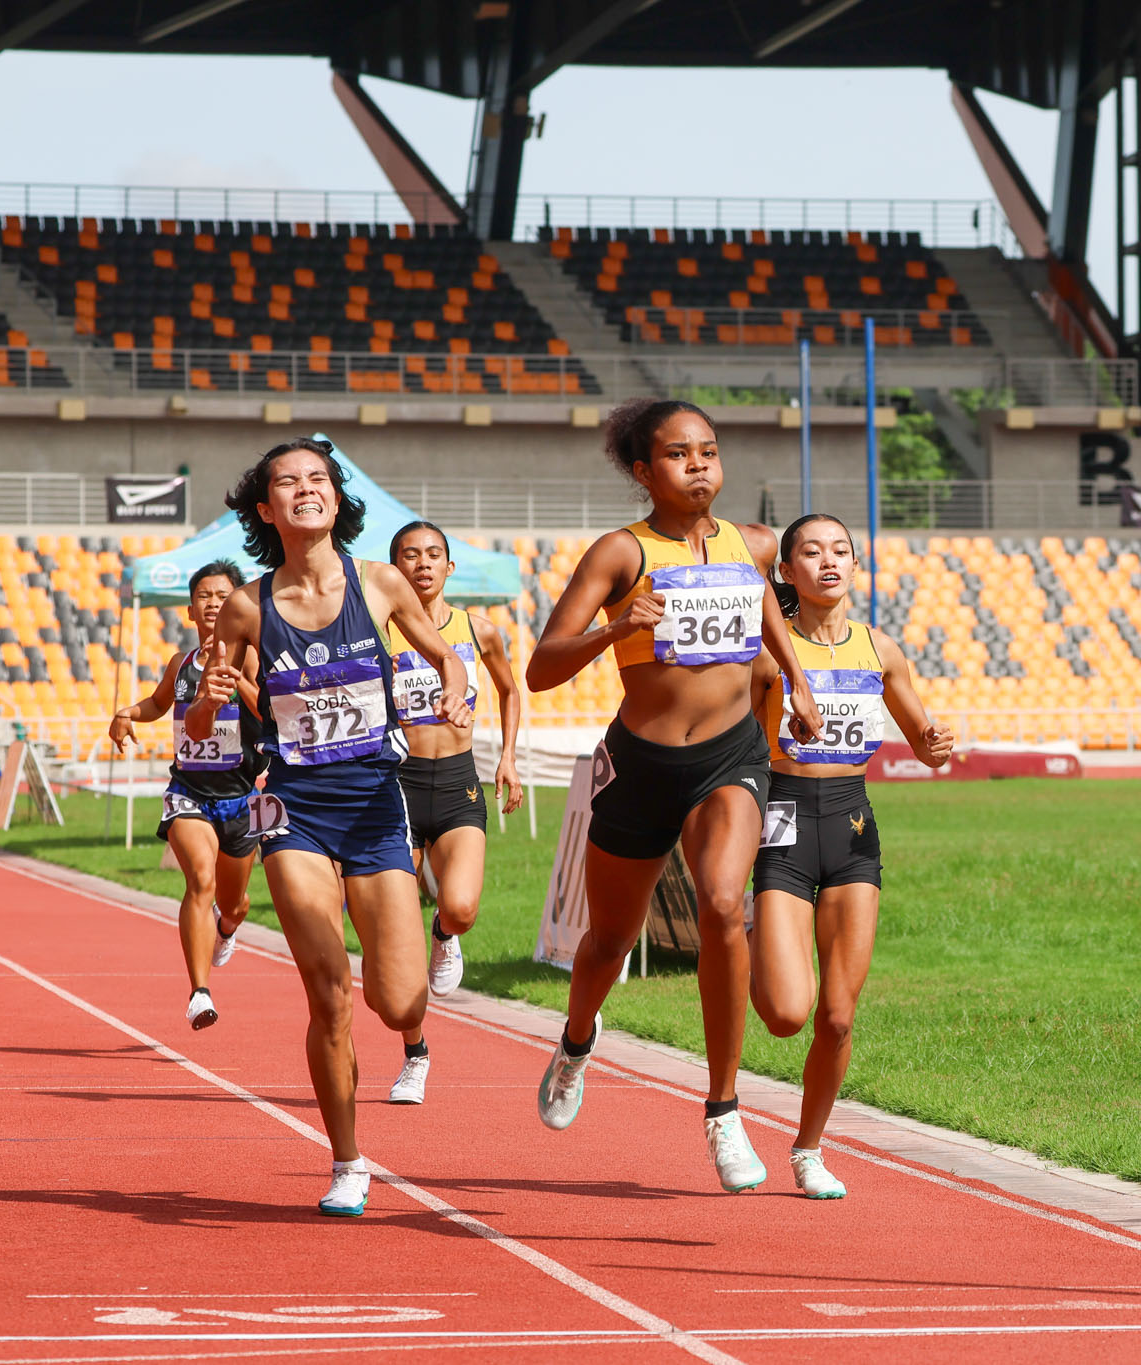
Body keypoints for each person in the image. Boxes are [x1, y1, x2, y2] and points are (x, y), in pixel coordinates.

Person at [526, 397, 820, 1193]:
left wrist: (797, 683)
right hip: (640, 763)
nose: (700, 466)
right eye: (680, 455)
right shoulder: (621, 553)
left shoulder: (751, 543)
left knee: (726, 904)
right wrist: (617, 629)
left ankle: (724, 1109)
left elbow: (763, 606)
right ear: (642, 470)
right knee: (608, 942)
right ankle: (578, 1039)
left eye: (710, 452)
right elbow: (542, 666)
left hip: (730, 758)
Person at [194, 437, 470, 1217]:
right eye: (289, 481)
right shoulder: (247, 606)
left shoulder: (379, 583)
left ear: (336, 498)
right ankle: (348, 1160)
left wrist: (452, 687)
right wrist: (210, 700)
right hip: (294, 809)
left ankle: (413, 1033)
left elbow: (444, 655)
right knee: (329, 995)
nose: (306, 489)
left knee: (397, 997)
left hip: (376, 804)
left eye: (319, 478)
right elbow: (200, 709)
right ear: (266, 506)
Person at [747, 514, 953, 1199]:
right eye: (811, 550)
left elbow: (920, 735)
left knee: (837, 1015)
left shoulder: (880, 649)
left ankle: (808, 1148)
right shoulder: (767, 657)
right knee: (785, 1014)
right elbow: (740, 748)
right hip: (782, 820)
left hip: (853, 825)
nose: (828, 560)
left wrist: (933, 741)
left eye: (840, 550)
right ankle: (751, 938)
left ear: (855, 567)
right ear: (787, 571)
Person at [383, 520, 525, 1105]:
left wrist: (508, 757)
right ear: (393, 569)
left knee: (461, 907)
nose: (422, 564)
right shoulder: (376, 632)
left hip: (457, 783)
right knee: (396, 943)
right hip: (393, 785)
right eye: (409, 556)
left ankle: (446, 932)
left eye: (433, 554)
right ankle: (415, 1056)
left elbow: (511, 690)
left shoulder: (479, 630)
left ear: (449, 566)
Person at [110, 559, 267, 1030]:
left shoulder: (254, 656)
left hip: (242, 794)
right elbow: (160, 704)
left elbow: (273, 713)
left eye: (223, 595)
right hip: (189, 790)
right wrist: (126, 713)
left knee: (236, 903)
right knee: (200, 879)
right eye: (205, 596)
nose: (214, 603)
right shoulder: (181, 663)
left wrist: (239, 684)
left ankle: (225, 929)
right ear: (190, 610)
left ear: (239, 604)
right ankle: (199, 993)